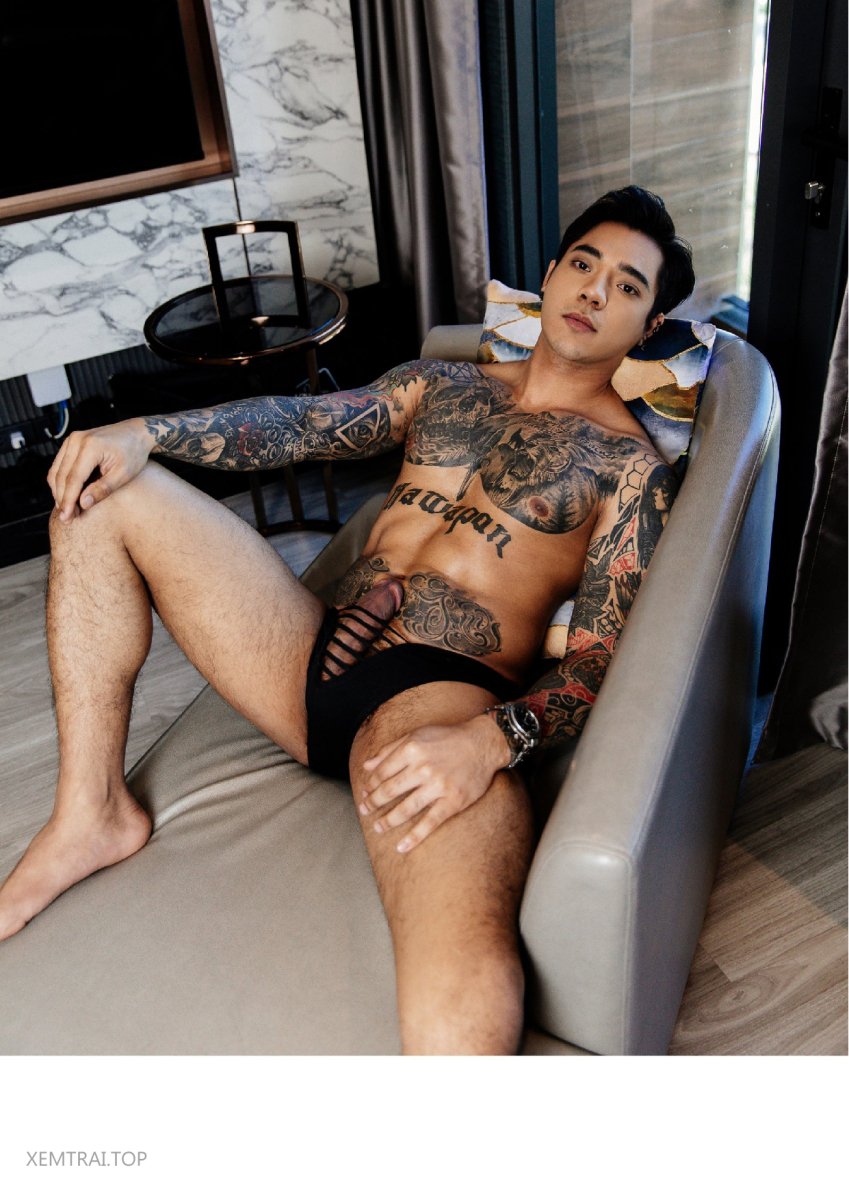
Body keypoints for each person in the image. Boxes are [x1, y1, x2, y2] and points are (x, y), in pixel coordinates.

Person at [0, 186, 694, 1054]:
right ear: (550, 275)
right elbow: (301, 425)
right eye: (583, 265)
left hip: (433, 703)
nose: (593, 291)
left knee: (463, 976)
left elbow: (599, 663)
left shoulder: (629, 470)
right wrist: (144, 430)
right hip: (301, 648)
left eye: (626, 286)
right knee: (98, 490)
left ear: (648, 323)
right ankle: (90, 811)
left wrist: (492, 739)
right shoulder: (438, 384)